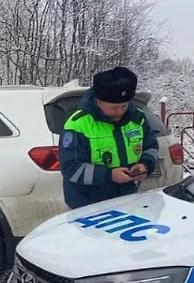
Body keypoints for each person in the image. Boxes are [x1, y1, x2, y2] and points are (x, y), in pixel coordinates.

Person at [59, 67, 159, 209]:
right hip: (87, 206)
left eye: (124, 106)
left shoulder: (137, 118)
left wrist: (145, 165)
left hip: (128, 200)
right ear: (98, 101)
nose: (119, 112)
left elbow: (151, 147)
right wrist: (109, 175)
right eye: (114, 108)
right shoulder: (78, 124)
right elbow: (70, 168)